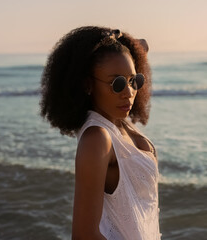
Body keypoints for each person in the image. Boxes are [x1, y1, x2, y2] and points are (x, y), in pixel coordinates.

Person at [40, 26, 161, 240]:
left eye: (134, 81)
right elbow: (84, 235)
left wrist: (122, 41)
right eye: (118, 83)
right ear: (87, 84)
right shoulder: (97, 139)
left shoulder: (115, 122)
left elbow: (142, 46)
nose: (129, 93)